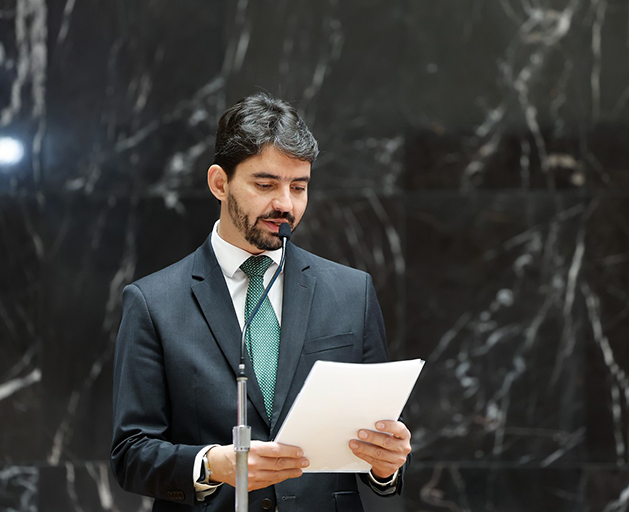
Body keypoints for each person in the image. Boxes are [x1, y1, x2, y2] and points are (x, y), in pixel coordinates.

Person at [111, 92, 411, 512]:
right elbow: (131, 455)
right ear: (220, 183)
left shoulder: (352, 292)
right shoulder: (153, 302)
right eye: (265, 185)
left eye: (299, 187)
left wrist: (386, 464)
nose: (285, 204)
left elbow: (375, 445)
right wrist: (211, 465)